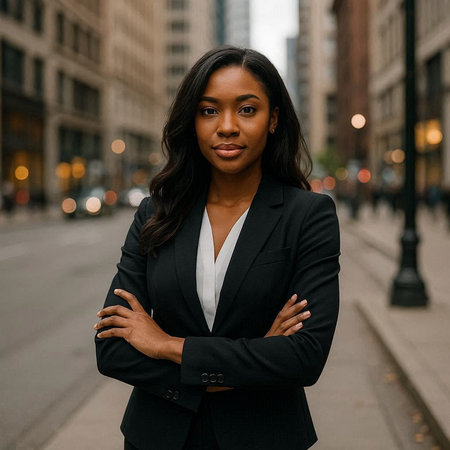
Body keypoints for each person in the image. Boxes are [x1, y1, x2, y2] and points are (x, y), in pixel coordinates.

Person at [94, 46, 340, 450]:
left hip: (265, 438)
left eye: (247, 110)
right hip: (157, 438)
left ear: (273, 119)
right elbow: (112, 347)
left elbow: (304, 356)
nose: (226, 126)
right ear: (192, 121)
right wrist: (249, 364)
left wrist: (167, 345)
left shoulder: (308, 215)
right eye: (209, 111)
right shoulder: (156, 212)